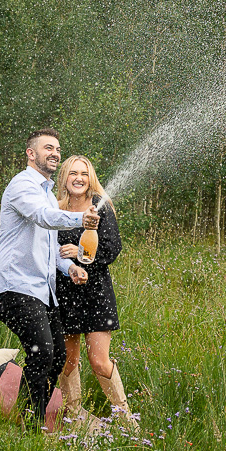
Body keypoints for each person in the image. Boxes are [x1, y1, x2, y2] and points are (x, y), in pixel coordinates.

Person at [0, 129, 99, 429]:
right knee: (43, 351)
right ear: (31, 154)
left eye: (58, 149)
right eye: (47, 147)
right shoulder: (22, 185)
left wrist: (71, 269)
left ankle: (22, 416)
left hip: (43, 291)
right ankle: (34, 426)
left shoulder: (50, 195)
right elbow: (41, 217)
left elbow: (51, 251)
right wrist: (80, 219)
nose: (55, 153)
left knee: (58, 355)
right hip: (16, 289)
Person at [53, 155, 137, 430]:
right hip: (64, 293)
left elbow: (113, 248)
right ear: (64, 177)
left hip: (96, 293)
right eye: (73, 173)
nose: (78, 178)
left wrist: (81, 253)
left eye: (84, 174)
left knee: (99, 361)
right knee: (69, 360)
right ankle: (74, 419)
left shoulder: (101, 207)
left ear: (91, 179)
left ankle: (127, 423)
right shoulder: (55, 208)